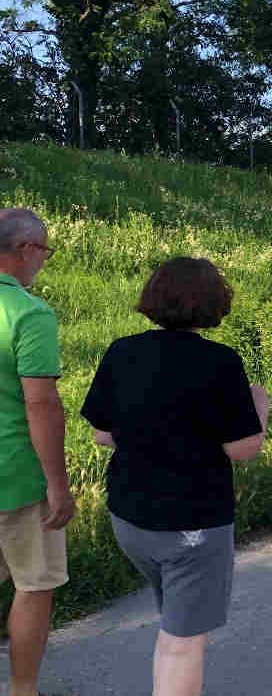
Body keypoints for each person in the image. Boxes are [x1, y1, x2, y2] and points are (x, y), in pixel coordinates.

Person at [81, 257, 268, 696]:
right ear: (213, 305)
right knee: (181, 644)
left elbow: (101, 434)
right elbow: (243, 448)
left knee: (176, 618)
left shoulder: (121, 352)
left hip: (129, 518)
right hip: (193, 525)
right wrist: (260, 405)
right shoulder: (220, 362)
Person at [0, 209, 75, 696]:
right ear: (26, 250)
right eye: (44, 252)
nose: (43, 261)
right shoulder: (29, 313)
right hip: (17, 475)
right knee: (33, 583)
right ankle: (24, 689)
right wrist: (58, 484)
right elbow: (41, 403)